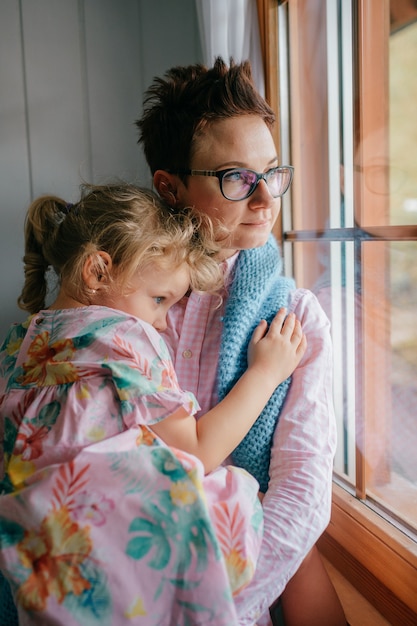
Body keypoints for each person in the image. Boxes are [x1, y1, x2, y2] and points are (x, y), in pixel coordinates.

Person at [0, 182, 306, 626]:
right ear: (97, 272)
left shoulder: (19, 343)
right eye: (159, 300)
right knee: (245, 498)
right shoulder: (123, 335)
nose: (162, 323)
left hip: (38, 546)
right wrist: (265, 373)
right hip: (109, 526)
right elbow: (196, 450)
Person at [136, 57, 348, 626]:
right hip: (131, 560)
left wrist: (223, 608)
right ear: (171, 187)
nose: (265, 199)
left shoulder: (296, 319)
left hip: (237, 581)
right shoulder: (126, 310)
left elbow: (302, 488)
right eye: (236, 177)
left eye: (273, 172)